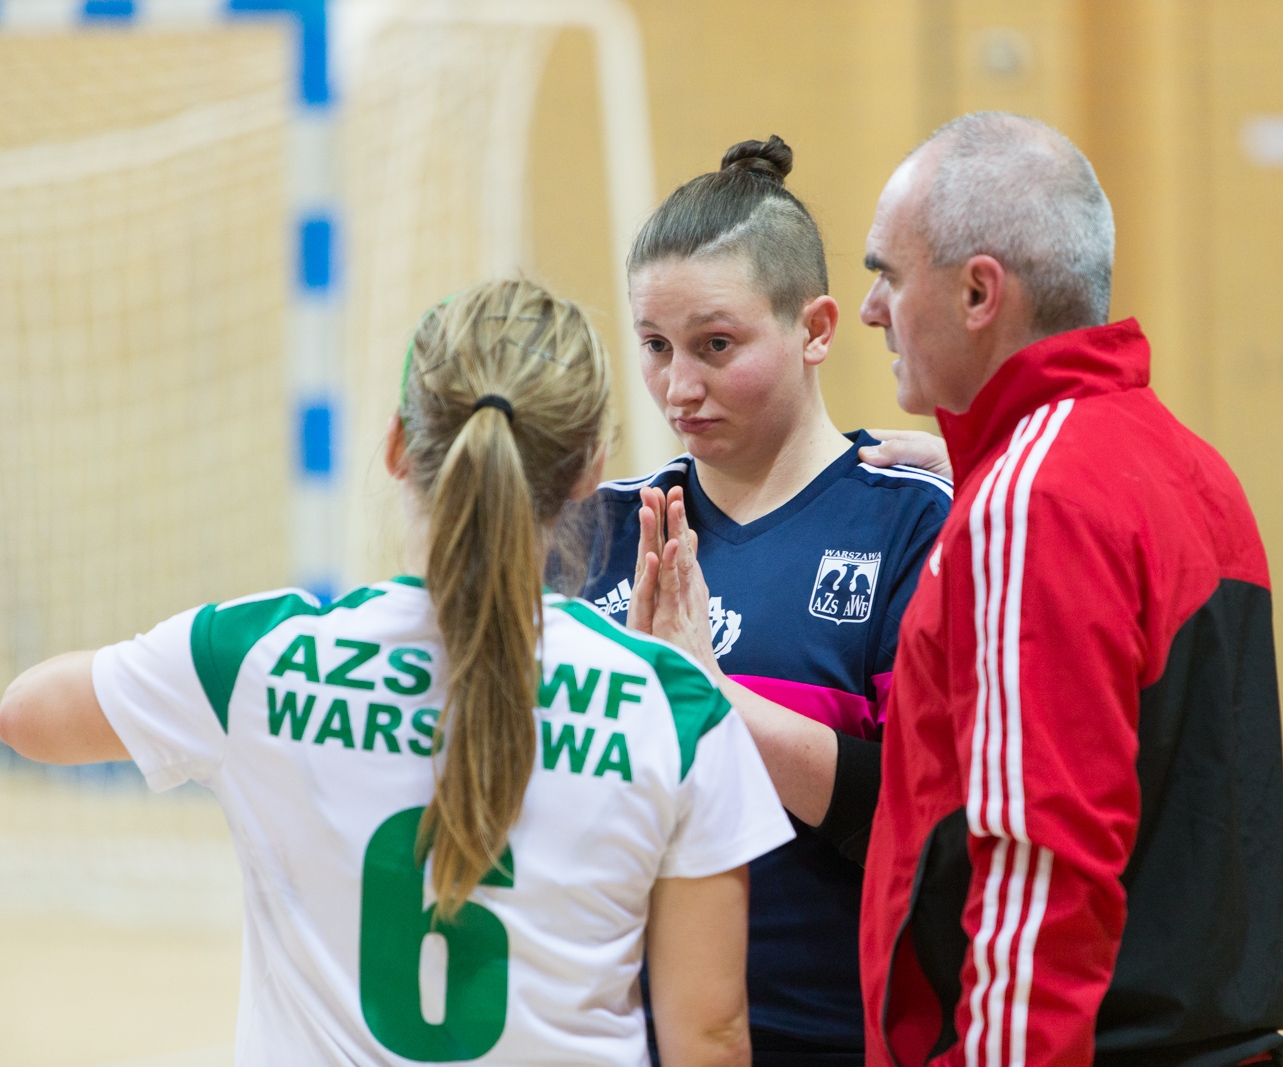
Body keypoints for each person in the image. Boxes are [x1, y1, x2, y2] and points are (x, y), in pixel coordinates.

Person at [0, 280, 795, 1067]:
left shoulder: (253, 655)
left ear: (394, 448)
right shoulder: (678, 707)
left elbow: (28, 714)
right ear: (589, 468)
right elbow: (711, 1037)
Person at [855, 113, 1283, 1066]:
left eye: (885, 273)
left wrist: (1003, 490)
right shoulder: (1186, 466)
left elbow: (1038, 866)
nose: (869, 310)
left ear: (979, 291)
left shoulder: (1035, 498)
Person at [576, 136, 952, 1066]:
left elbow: (919, 823)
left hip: (833, 1036)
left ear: (816, 327)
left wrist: (705, 693)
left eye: (716, 345)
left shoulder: (911, 523)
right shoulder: (601, 531)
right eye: (656, 348)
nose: (679, 386)